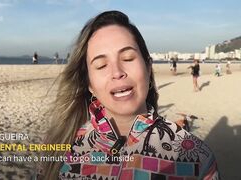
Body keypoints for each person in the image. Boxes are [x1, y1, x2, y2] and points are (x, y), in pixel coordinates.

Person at [43, 11, 219, 179]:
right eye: (101, 65)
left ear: (148, 68)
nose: (117, 72)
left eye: (127, 58)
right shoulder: (60, 148)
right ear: (89, 84)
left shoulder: (197, 159)